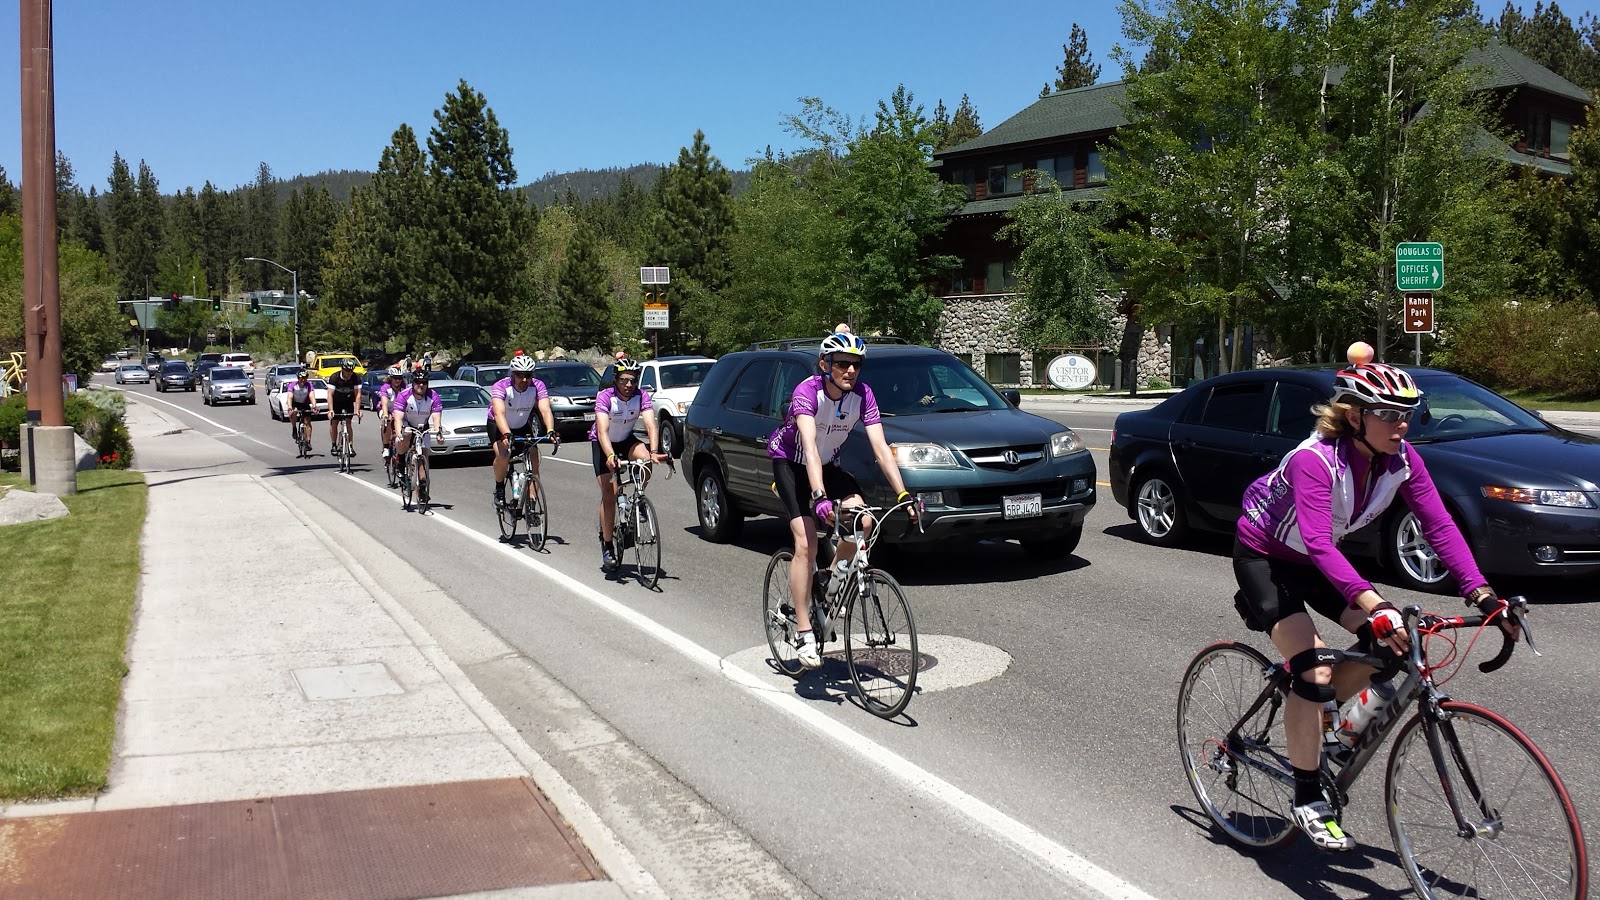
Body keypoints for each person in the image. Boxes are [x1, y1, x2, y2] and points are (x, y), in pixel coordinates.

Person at [1232, 356, 1514, 852]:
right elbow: (1318, 542)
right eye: (1389, 414)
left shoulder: (1403, 459)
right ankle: (1307, 797)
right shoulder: (1314, 461)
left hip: (1316, 561)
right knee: (1314, 672)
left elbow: (1439, 526)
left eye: (1409, 413)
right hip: (1266, 556)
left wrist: (1482, 592)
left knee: (1398, 649)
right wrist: (1374, 602)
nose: (1402, 425)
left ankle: (1334, 731)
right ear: (1355, 416)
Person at [765, 330, 915, 669]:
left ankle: (827, 581)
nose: (850, 371)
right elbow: (810, 447)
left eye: (856, 365)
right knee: (806, 543)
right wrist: (818, 497)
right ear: (825, 364)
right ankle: (804, 632)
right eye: (842, 364)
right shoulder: (808, 392)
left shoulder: (863, 395)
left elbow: (881, 448)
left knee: (862, 520)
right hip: (791, 464)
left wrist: (903, 493)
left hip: (828, 464)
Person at [591, 357, 668, 568]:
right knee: (610, 495)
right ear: (616, 380)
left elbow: (652, 425)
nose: (628, 385)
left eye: (633, 380)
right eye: (624, 380)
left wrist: (653, 451)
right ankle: (607, 545)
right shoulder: (605, 397)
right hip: (603, 444)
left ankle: (638, 500)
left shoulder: (641, 396)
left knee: (645, 461)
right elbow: (602, 431)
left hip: (626, 439)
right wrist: (609, 456)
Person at [491, 352, 559, 507]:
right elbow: (498, 413)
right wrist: (506, 434)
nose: (524, 380)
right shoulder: (501, 386)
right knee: (503, 454)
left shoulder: (537, 386)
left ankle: (532, 500)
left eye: (528, 376)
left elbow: (545, 409)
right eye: (520, 376)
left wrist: (550, 430)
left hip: (521, 425)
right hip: (499, 424)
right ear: (513, 375)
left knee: (533, 456)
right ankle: (499, 487)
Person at [392, 369, 443, 502]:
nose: (421, 385)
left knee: (423, 459)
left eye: (424, 383)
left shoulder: (433, 396)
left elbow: (437, 418)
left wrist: (438, 433)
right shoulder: (404, 395)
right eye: (418, 382)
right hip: (406, 423)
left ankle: (422, 489)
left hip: (423, 426)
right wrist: (399, 435)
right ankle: (401, 461)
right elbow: (397, 418)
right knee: (407, 433)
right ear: (413, 383)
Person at [327, 359, 363, 456]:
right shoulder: (334, 377)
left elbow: (358, 395)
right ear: (342, 369)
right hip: (336, 401)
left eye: (351, 371)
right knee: (334, 422)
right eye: (347, 371)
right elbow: (330, 394)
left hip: (348, 401)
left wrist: (358, 410)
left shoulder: (356, 378)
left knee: (348, 423)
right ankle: (334, 445)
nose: (349, 373)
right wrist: (330, 410)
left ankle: (350, 446)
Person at [377, 367, 407, 485]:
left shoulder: (405, 388)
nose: (397, 381)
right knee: (388, 421)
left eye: (399, 378)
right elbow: (384, 403)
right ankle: (386, 447)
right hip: (387, 410)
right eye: (395, 378)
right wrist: (385, 414)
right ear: (390, 378)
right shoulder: (386, 388)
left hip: (399, 412)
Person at [288, 370, 319, 449]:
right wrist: (289, 407)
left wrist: (314, 406)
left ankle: (308, 441)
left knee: (307, 422)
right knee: (294, 412)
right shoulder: (293, 385)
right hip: (295, 403)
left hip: (304, 403)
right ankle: (294, 428)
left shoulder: (309, 385)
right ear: (298, 378)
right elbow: (290, 396)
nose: (303, 380)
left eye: (305, 378)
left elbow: (311, 396)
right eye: (301, 378)